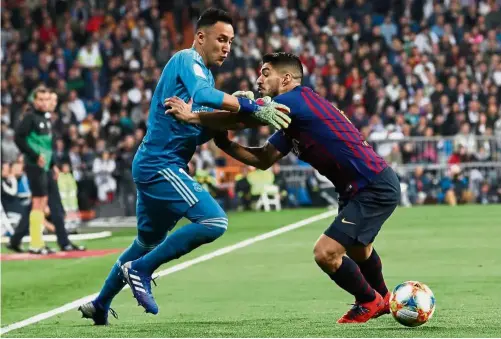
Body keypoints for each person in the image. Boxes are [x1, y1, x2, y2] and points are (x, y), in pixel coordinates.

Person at [78, 8, 291, 325]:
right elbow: (204, 96)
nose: (227, 47)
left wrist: (244, 117)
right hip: (160, 164)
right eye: (221, 39)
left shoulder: (205, 75)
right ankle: (141, 269)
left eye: (231, 41)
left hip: (155, 165)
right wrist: (251, 106)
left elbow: (203, 129)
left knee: (145, 243)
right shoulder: (186, 61)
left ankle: (100, 304)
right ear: (200, 37)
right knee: (214, 221)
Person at [167, 52, 401, 324]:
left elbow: (247, 119)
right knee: (359, 250)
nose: (259, 79)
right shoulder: (294, 117)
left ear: (287, 78)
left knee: (325, 253)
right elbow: (264, 158)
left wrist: (193, 117)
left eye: (266, 73)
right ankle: (385, 299)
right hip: (355, 189)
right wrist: (226, 145)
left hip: (372, 185)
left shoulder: (295, 100)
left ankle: (369, 301)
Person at [14, 86, 54, 254]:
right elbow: (18, 138)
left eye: (46, 99)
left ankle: (39, 242)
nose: (44, 103)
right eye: (41, 100)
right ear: (34, 100)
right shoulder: (30, 117)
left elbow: (47, 146)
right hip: (34, 165)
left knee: (42, 202)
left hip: (43, 166)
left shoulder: (44, 118)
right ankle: (35, 244)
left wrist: (52, 165)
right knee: (38, 202)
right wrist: (34, 155)